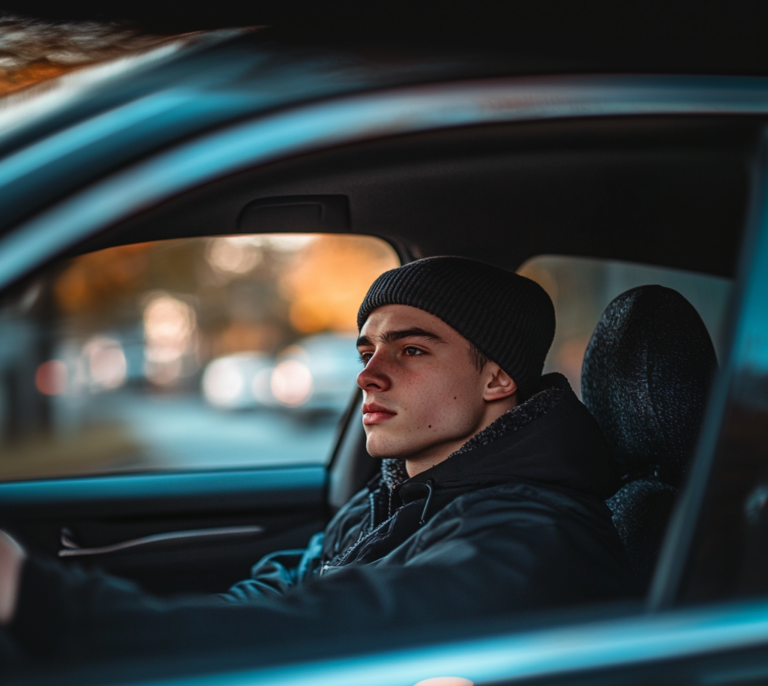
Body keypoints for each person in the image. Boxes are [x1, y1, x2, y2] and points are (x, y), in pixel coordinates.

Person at [0, 256, 636, 663]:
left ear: (497, 379)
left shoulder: (531, 541)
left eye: (411, 351)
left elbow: (315, 636)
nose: (367, 377)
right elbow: (282, 587)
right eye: (366, 351)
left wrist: (38, 599)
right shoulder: (399, 494)